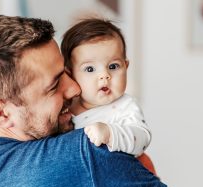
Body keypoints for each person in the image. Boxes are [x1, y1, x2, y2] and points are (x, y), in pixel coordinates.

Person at [0, 15, 189, 187]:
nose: (75, 88)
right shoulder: (86, 153)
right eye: (54, 86)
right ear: (0, 113)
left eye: (67, 72)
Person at [61, 18, 156, 174]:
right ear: (70, 74)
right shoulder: (66, 107)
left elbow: (142, 138)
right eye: (90, 69)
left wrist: (110, 133)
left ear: (126, 67)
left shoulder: (124, 106)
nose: (104, 75)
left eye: (113, 66)